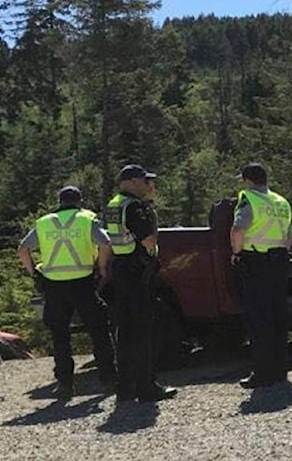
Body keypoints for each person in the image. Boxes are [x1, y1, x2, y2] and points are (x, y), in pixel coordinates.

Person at [17, 186, 117, 399]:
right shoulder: (86, 220)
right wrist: (101, 267)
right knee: (99, 331)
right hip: (83, 283)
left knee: (60, 336)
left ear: (59, 201)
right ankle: (108, 379)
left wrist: (34, 273)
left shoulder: (44, 223)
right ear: (79, 201)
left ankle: (64, 385)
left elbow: (22, 249)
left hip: (54, 285)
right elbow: (106, 243)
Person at [103, 164, 177, 403]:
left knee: (124, 332)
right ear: (133, 181)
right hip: (137, 270)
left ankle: (125, 388)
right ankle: (147, 387)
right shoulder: (134, 206)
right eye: (146, 181)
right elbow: (147, 239)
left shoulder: (113, 205)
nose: (149, 185)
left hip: (121, 269)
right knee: (143, 331)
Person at [230, 163, 292, 388]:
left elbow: (238, 229)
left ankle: (263, 373)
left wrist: (237, 254)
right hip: (279, 262)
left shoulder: (249, 199)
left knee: (260, 319)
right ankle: (279, 370)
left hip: (256, 262)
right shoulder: (281, 202)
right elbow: (289, 236)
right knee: (278, 318)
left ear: (248, 180)